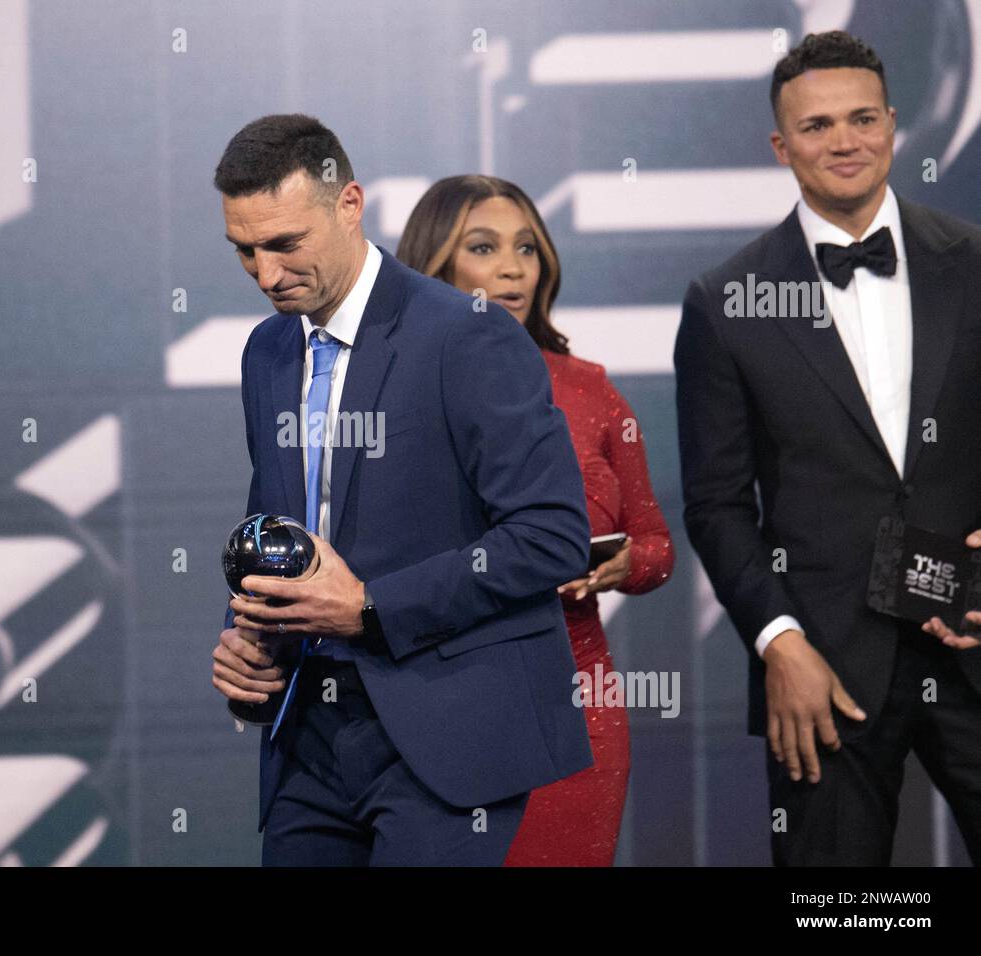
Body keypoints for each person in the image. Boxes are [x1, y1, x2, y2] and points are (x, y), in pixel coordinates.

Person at [208, 114, 593, 865]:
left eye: (285, 244)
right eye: (244, 251)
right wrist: (249, 634)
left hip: (446, 736)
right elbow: (277, 528)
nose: (264, 273)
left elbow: (550, 536)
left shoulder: (467, 334)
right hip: (308, 740)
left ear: (348, 205)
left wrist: (370, 609)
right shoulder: (267, 351)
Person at [675, 31, 981, 865]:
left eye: (861, 119)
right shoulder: (725, 300)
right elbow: (716, 504)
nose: (843, 142)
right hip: (825, 664)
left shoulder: (975, 262)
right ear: (781, 146)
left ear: (893, 125)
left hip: (974, 634)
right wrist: (779, 641)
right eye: (816, 127)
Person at [397, 175, 674, 866]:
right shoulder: (391, 389)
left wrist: (624, 565)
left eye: (527, 246)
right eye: (484, 247)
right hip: (438, 704)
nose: (514, 266)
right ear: (436, 263)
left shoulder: (592, 389)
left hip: (578, 700)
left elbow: (657, 543)